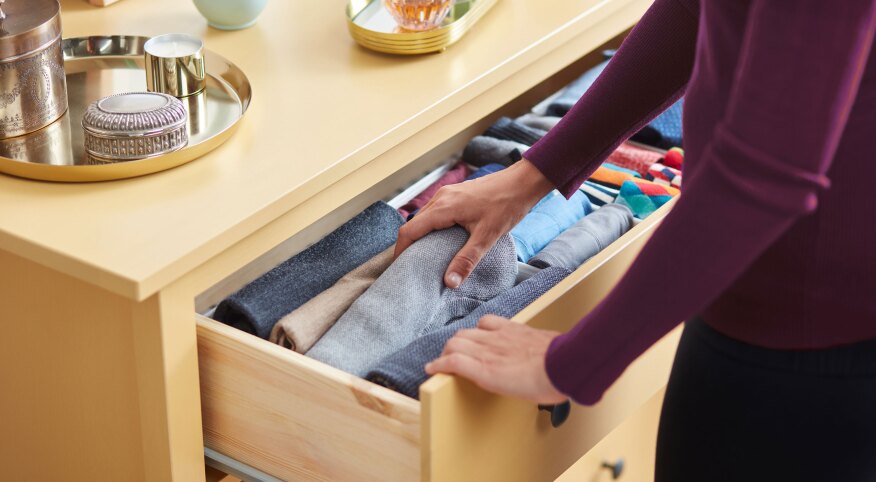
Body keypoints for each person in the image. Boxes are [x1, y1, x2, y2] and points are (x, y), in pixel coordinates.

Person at [393, 0, 876, 480]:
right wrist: (536, 173)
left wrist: (573, 363)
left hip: (814, 347)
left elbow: (763, 180)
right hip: (751, 301)